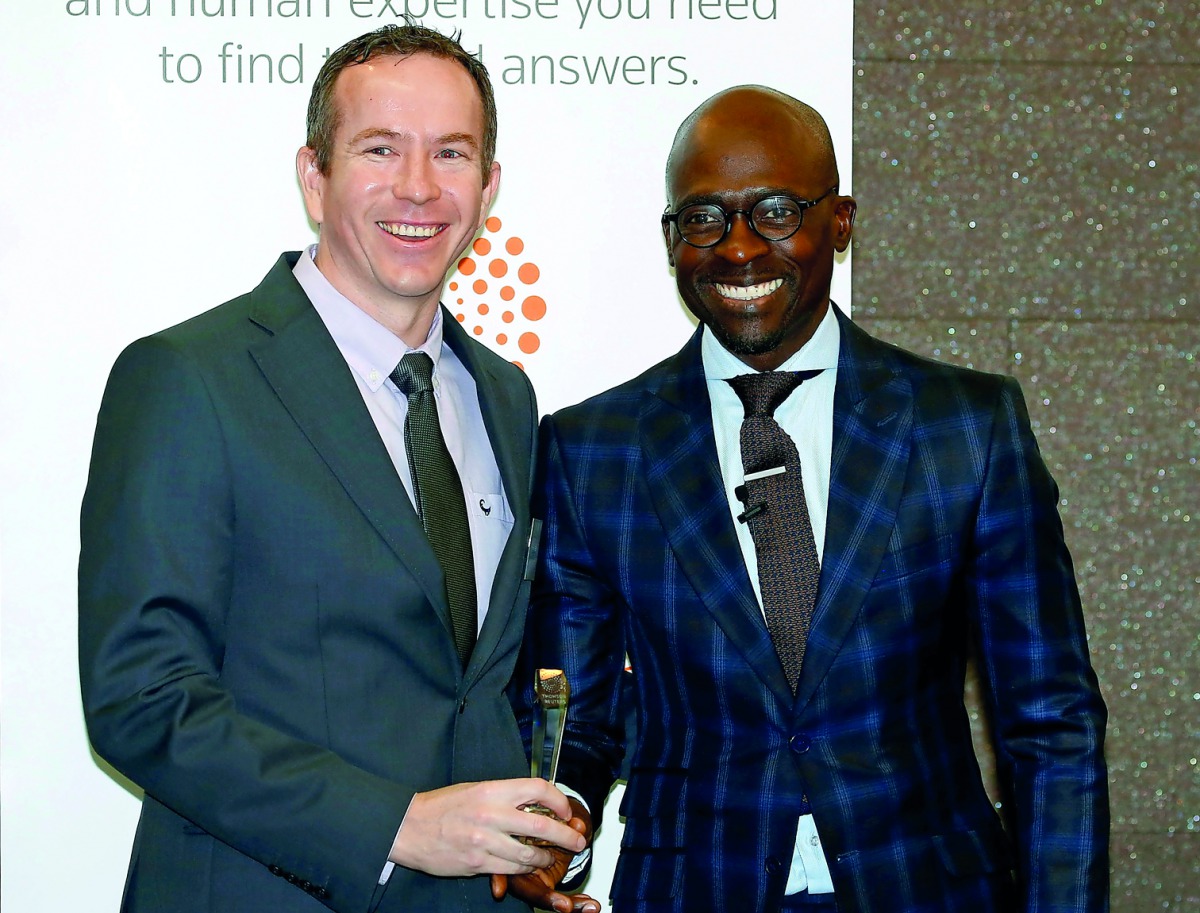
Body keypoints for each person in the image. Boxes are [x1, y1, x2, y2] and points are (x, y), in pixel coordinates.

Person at [524, 85, 1109, 912]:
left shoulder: (965, 429)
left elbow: (1050, 722)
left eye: (773, 211)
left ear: (839, 221)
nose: (735, 249)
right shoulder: (592, 450)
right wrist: (554, 831)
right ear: (669, 239)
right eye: (702, 218)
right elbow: (575, 720)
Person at [79, 22, 597, 913]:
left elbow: (469, 690)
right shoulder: (188, 378)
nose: (418, 187)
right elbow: (142, 695)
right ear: (314, 177)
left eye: (452, 153)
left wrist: (517, 853)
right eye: (380, 148)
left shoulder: (505, 396)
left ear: (489, 186)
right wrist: (397, 825)